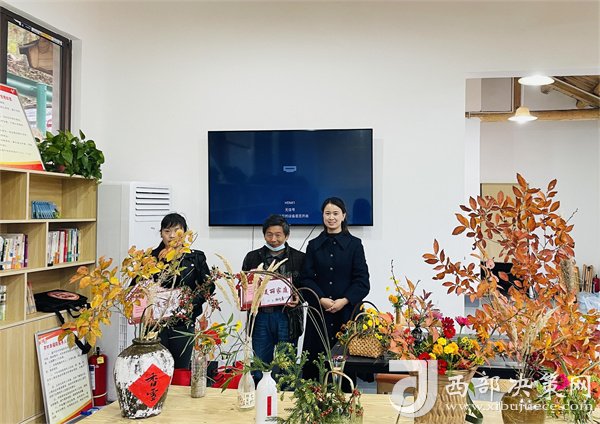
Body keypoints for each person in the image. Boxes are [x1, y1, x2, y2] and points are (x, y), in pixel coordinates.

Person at [300, 197, 370, 380]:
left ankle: (346, 393)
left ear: (343, 216)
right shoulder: (313, 245)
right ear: (323, 216)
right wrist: (320, 298)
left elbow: (362, 280)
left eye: (335, 213)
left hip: (346, 313)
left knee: (346, 363)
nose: (331, 217)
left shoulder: (354, 245)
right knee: (317, 365)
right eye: (327, 213)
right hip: (320, 312)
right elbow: (306, 278)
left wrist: (344, 300)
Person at [242, 214, 305, 367]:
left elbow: (307, 286)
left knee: (287, 367)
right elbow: (244, 285)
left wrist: (299, 296)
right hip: (261, 317)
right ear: (264, 235)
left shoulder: (299, 258)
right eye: (269, 234)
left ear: (286, 236)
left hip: (287, 317)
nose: (273, 239)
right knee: (260, 365)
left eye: (278, 235)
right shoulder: (252, 257)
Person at [152, 212, 212, 369]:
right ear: (161, 233)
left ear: (185, 233)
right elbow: (137, 288)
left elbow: (208, 286)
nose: (172, 236)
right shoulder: (151, 259)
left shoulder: (195, 258)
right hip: (156, 325)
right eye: (167, 231)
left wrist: (191, 304)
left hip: (183, 324)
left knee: (180, 369)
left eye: (176, 231)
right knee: (157, 370)